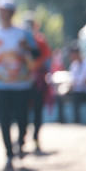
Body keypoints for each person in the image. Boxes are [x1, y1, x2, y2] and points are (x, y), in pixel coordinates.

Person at [0, 0, 39, 171]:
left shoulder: (23, 33)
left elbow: (36, 54)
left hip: (21, 83)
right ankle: (9, 153)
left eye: (7, 11)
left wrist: (26, 48)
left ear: (12, 13)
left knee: (22, 117)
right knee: (4, 119)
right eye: (1, 11)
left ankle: (21, 142)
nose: (3, 14)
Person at [22, 12, 52, 153]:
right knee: (22, 111)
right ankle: (21, 138)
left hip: (38, 80)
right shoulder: (20, 40)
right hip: (23, 80)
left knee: (38, 111)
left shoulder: (40, 41)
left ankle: (35, 137)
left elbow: (45, 58)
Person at [57, 43, 86, 124]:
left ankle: (77, 119)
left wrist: (75, 84)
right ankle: (61, 119)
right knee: (59, 96)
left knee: (76, 97)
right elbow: (72, 81)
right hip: (77, 92)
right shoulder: (74, 65)